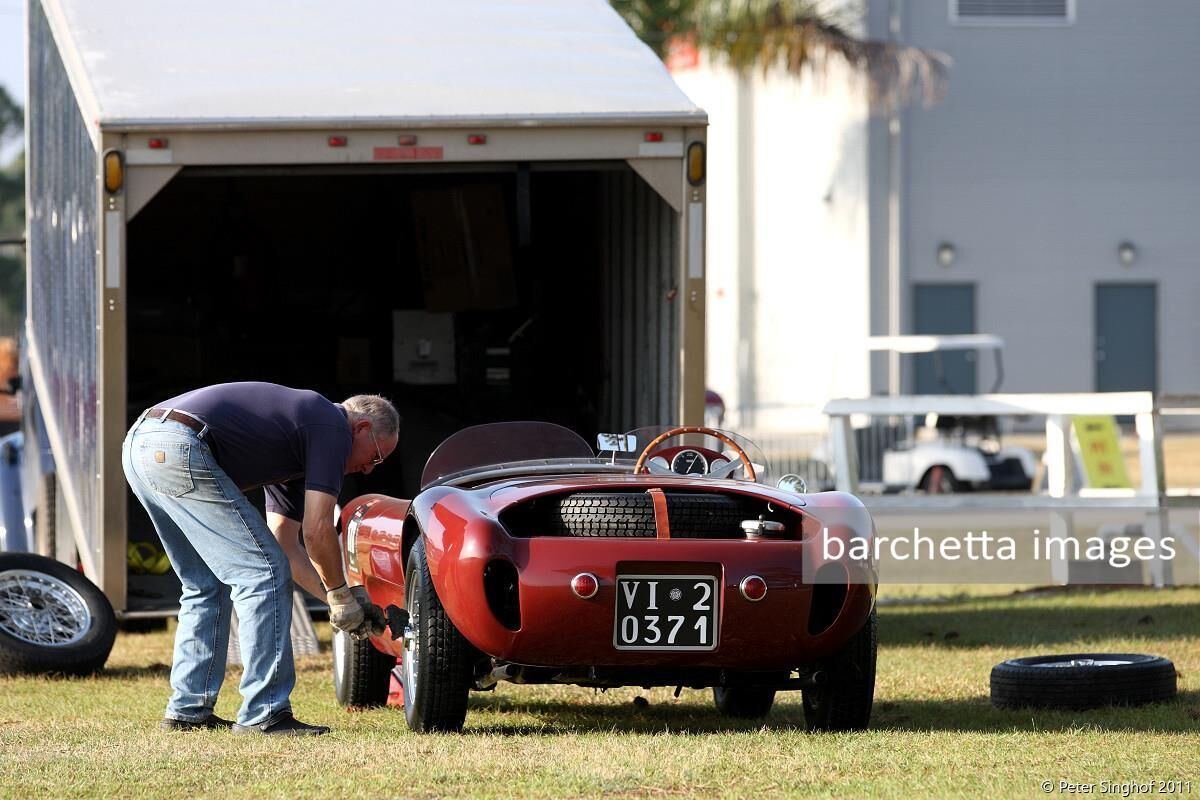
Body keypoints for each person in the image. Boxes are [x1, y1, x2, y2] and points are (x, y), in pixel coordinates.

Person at [121, 382, 399, 736]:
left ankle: (187, 710)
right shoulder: (332, 426)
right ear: (361, 428)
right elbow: (317, 530)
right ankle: (265, 713)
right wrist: (343, 594)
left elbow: (286, 544)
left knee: (204, 583)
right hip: (179, 443)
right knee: (262, 573)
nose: (369, 470)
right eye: (375, 456)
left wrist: (340, 599)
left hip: (141, 444)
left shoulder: (296, 442)